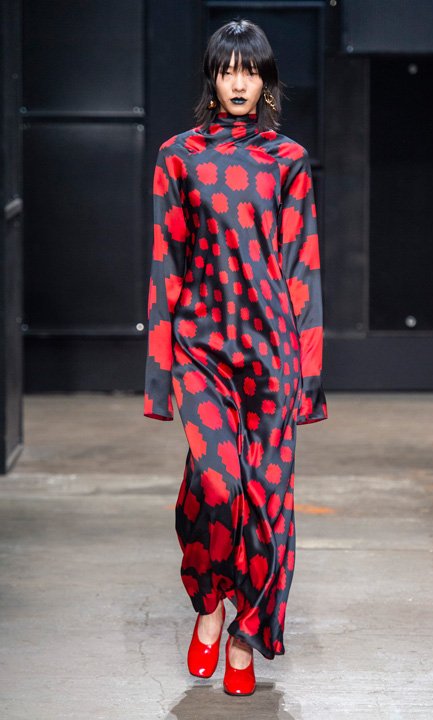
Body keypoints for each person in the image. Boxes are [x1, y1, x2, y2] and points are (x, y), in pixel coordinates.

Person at [144, 17, 327, 696]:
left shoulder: (287, 160)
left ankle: (244, 636)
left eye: (249, 70)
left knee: (266, 497)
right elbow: (165, 263)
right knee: (219, 485)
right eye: (227, 71)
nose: (239, 82)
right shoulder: (178, 157)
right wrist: (159, 376)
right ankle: (211, 602)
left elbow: (302, 267)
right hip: (201, 347)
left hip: (270, 350)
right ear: (212, 80)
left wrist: (308, 376)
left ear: (266, 80)